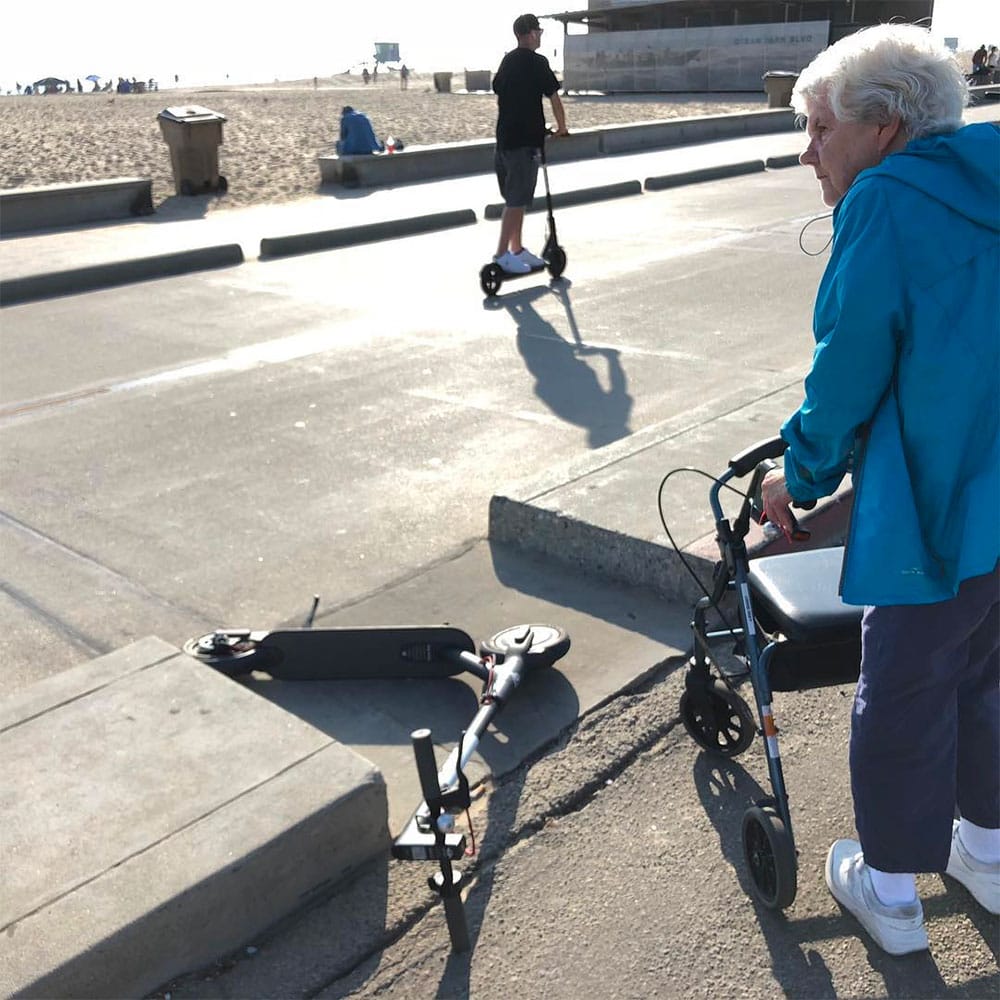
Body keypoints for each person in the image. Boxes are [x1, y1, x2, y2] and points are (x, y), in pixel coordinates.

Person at [760, 24, 999, 956]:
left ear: (887, 127)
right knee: (984, 675)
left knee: (901, 688)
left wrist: (801, 476)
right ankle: (984, 846)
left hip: (937, 510)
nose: (807, 151)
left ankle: (892, 893)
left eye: (819, 128)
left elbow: (849, 367)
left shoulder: (887, 203)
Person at [491, 12, 568, 275]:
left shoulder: (507, 61)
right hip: (524, 144)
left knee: (518, 198)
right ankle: (501, 255)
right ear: (530, 33)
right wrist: (562, 128)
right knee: (516, 201)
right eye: (539, 32)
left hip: (504, 140)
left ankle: (517, 249)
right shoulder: (538, 62)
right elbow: (554, 99)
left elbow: (502, 92)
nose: (540, 37)